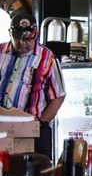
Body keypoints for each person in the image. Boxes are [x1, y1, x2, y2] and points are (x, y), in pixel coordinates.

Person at [0, 13, 66, 157]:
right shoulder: (0, 52)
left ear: (35, 36)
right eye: (19, 39)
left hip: (31, 130)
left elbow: (58, 96)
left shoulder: (48, 58)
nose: (23, 44)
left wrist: (41, 123)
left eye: (29, 39)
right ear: (10, 33)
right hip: (1, 128)